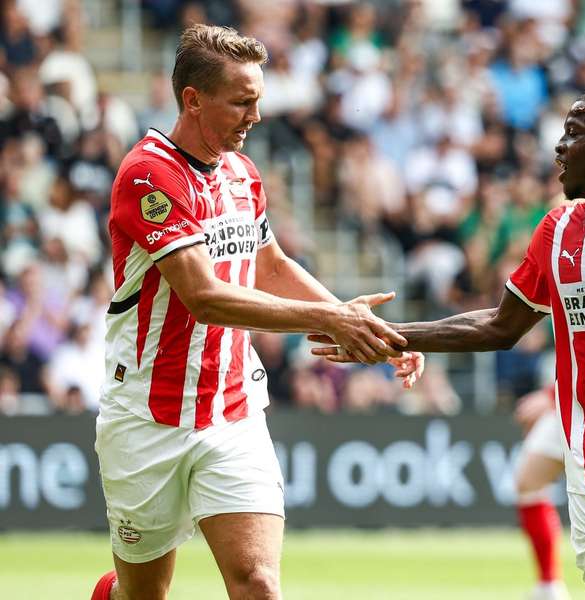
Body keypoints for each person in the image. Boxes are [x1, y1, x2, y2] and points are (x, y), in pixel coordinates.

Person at [315, 78, 585, 599]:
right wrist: (390, 335)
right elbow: (501, 326)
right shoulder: (558, 230)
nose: (559, 146)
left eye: (574, 133)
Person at [90, 24, 423, 600]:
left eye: (259, 100)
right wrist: (331, 321)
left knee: (259, 585)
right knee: (141, 592)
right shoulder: (150, 175)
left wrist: (363, 323)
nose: (257, 115)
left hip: (233, 410)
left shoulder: (243, 174)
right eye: (243, 101)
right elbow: (205, 296)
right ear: (193, 101)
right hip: (148, 416)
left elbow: (269, 264)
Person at [513, 385, 569, 600]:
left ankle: (549, 584)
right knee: (528, 485)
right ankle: (549, 584)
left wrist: (553, 394)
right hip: (571, 396)